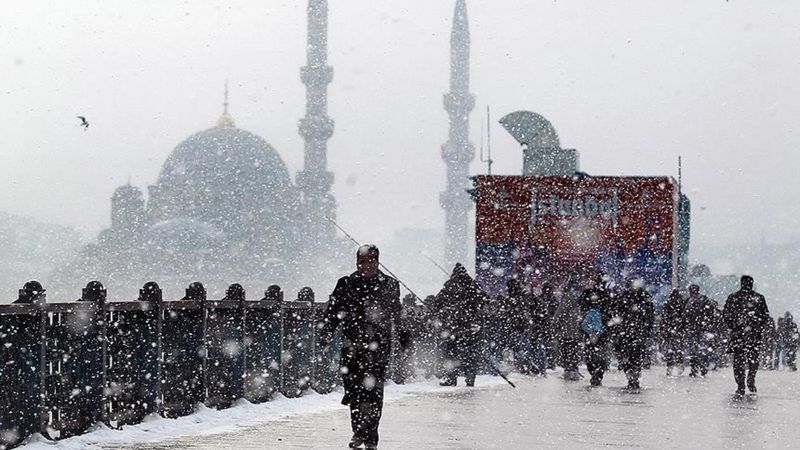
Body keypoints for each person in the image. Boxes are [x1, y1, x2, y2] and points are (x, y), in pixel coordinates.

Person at [318, 244, 401, 450]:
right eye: (362, 261)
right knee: (354, 392)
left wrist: (403, 334)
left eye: (370, 261)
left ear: (377, 261)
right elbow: (333, 312)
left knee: (373, 392)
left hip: (378, 347)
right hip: (352, 346)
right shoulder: (346, 284)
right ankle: (359, 430)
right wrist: (326, 332)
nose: (366, 265)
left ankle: (369, 436)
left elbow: (396, 314)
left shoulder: (389, 285)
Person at [431, 263, 485, 387]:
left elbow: (437, 303)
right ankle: (470, 377)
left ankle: (451, 378)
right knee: (470, 353)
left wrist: (438, 310)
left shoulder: (449, 286)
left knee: (450, 353)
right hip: (469, 327)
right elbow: (483, 300)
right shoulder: (473, 286)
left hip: (453, 327)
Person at [723, 275, 770, 396]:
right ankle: (749, 380)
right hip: (753, 335)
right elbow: (765, 316)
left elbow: (726, 315)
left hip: (739, 334)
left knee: (739, 361)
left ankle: (741, 384)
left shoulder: (733, 297)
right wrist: (757, 326)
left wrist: (734, 325)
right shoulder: (758, 298)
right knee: (752, 360)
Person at [615, 279, 655, 390]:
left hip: (632, 332)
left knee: (631, 356)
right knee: (633, 357)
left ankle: (633, 377)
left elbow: (618, 314)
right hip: (633, 332)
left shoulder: (628, 297)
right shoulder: (629, 297)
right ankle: (633, 377)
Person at [580, 273, 614, 387]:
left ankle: (595, 373)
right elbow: (612, 313)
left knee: (591, 353)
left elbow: (581, 308)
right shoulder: (608, 295)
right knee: (600, 354)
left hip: (591, 330)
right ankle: (598, 374)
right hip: (602, 330)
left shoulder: (588, 293)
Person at [681, 285, 719, 377]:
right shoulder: (705, 299)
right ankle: (703, 367)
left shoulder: (689, 301)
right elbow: (714, 309)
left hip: (693, 329)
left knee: (694, 350)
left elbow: (684, 315)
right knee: (703, 349)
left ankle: (694, 369)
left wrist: (685, 326)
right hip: (704, 329)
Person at [553, 280, 585, 380]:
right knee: (575, 350)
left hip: (567, 331)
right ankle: (574, 369)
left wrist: (556, 323)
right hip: (577, 330)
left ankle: (568, 370)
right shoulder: (581, 298)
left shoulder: (567, 298)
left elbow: (559, 313)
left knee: (566, 350)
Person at [661, 289, 687, 375]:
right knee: (677, 349)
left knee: (670, 349)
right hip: (678, 330)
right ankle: (678, 365)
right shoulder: (682, 304)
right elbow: (684, 317)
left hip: (671, 330)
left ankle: (670, 367)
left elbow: (664, 318)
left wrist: (665, 328)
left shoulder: (668, 304)